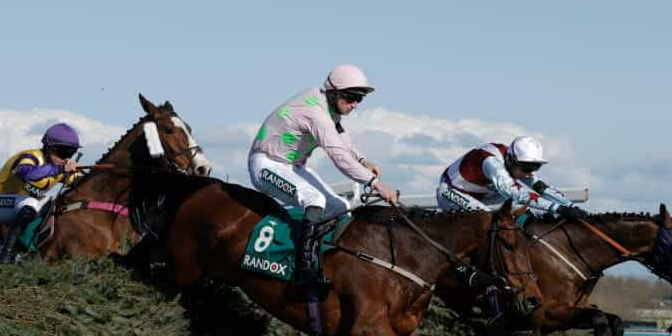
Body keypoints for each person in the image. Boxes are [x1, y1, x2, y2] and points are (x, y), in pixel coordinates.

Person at [247, 64, 399, 287]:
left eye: (360, 99)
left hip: (292, 166)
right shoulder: (315, 113)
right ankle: (303, 268)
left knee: (339, 207)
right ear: (334, 92)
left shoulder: (328, 107)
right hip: (265, 165)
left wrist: (363, 161)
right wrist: (376, 184)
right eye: (351, 97)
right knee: (314, 200)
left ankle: (326, 263)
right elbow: (338, 156)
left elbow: (343, 141)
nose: (355, 104)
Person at [0, 123, 82, 264]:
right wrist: (60, 169)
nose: (66, 158)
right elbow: (28, 173)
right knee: (31, 203)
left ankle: (27, 248)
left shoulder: (58, 167)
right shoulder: (30, 157)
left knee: (51, 204)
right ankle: (4, 255)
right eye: (64, 153)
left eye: (70, 154)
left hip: (21, 204)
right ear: (50, 148)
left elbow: (80, 183)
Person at [436, 136, 587, 220]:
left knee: (525, 215)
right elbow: (516, 194)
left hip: (484, 196)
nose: (530, 173)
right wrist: (558, 208)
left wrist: (571, 207)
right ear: (510, 160)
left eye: (535, 167)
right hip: (450, 192)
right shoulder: (491, 162)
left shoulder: (519, 163)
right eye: (527, 168)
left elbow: (542, 189)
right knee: (485, 219)